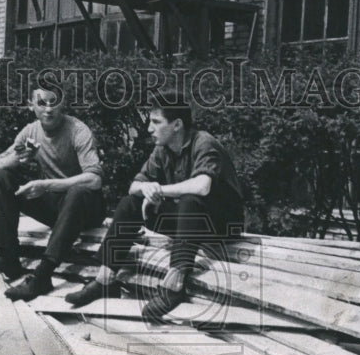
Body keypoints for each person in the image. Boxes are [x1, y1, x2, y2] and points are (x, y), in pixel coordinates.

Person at [65, 91, 244, 321]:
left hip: (223, 225)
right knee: (131, 203)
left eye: (156, 122)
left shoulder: (204, 142)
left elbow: (202, 186)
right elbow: (134, 186)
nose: (149, 128)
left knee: (190, 200)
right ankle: (105, 280)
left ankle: (175, 286)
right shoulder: (163, 149)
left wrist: (159, 189)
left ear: (177, 124)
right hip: (189, 223)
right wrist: (147, 189)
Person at [0, 85, 105, 301]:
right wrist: (19, 159)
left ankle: (43, 275)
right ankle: (7, 256)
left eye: (54, 102)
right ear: (31, 106)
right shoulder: (31, 131)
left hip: (86, 209)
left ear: (63, 105)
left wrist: (46, 185)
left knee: (77, 192)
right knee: (1, 178)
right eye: (42, 103)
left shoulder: (78, 130)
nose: (48, 109)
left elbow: (95, 180)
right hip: (57, 208)